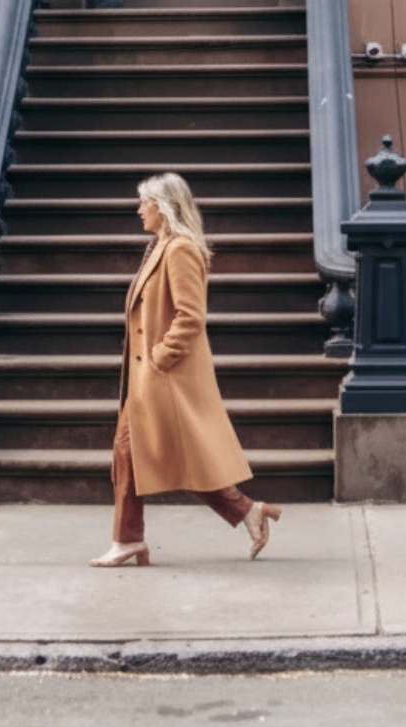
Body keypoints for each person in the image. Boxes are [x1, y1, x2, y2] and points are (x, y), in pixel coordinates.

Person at [90, 171, 282, 567]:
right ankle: (247, 511)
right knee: (158, 457)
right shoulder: (160, 245)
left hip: (164, 377)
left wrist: (161, 356)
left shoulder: (179, 250)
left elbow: (191, 316)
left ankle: (129, 540)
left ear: (163, 208)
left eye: (145, 202)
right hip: (150, 378)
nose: (139, 209)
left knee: (143, 454)